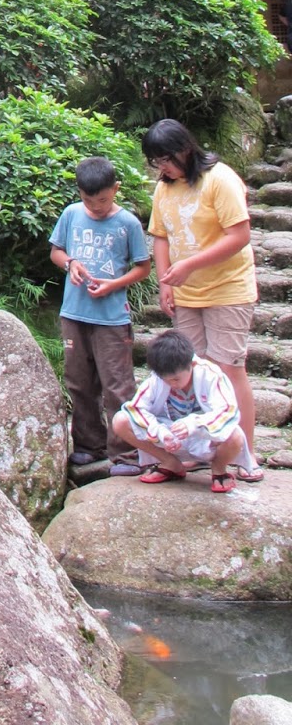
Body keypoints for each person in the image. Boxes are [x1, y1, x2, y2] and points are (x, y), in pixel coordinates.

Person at [141, 118, 262, 483]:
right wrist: (166, 281)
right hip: (187, 294)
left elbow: (239, 235)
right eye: (155, 162)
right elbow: (160, 236)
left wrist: (189, 265)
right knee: (191, 373)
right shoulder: (165, 188)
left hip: (228, 288)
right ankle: (201, 450)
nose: (161, 168)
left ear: (185, 150)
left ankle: (245, 454)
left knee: (228, 368)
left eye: (165, 160)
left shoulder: (220, 179)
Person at [49, 155, 152, 474]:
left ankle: (126, 452)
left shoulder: (128, 223)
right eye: (88, 200)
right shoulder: (71, 214)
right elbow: (56, 251)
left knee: (117, 385)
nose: (95, 206)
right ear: (79, 192)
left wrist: (113, 285)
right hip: (74, 313)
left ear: (116, 189)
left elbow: (143, 268)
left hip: (111, 318)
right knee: (79, 382)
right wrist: (71, 264)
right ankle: (88, 446)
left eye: (103, 200)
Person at [112, 328, 245, 493]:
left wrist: (194, 424)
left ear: (192, 364)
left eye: (176, 379)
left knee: (235, 435)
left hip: (206, 436)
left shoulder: (211, 375)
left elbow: (228, 411)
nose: (172, 384)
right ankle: (170, 463)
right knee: (121, 420)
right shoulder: (157, 378)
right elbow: (135, 409)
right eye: (166, 380)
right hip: (171, 436)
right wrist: (160, 432)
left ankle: (218, 468)